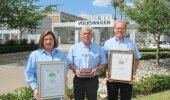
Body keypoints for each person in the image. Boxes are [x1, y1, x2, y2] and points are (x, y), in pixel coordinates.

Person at [103, 21, 141, 100]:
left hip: (127, 78)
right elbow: (104, 60)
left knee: (126, 98)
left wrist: (132, 73)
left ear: (125, 30)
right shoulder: (107, 43)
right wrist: (106, 71)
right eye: (118, 28)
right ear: (114, 29)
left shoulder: (131, 43)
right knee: (112, 98)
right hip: (111, 77)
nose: (120, 30)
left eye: (122, 28)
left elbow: (137, 59)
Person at [67, 27, 107, 100]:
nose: (86, 35)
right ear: (81, 35)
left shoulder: (99, 48)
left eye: (88, 33)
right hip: (78, 79)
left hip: (92, 80)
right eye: (84, 33)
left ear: (92, 35)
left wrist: (96, 69)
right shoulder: (73, 48)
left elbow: (103, 63)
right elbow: (69, 63)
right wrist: (75, 69)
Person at [24, 31, 65, 100]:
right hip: (41, 94)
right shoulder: (35, 55)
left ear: (54, 41)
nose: (48, 41)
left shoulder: (60, 53)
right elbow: (29, 73)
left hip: (57, 94)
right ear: (42, 41)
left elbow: (63, 69)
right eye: (46, 39)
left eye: (50, 39)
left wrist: (64, 78)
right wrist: (35, 88)